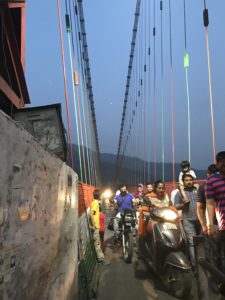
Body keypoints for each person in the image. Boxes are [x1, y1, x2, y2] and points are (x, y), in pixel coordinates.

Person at [174, 174, 201, 269]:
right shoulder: (179, 193)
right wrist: (183, 204)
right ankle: (195, 266)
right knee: (192, 242)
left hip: (201, 221)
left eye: (190, 180)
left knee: (201, 243)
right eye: (186, 180)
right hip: (188, 221)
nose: (189, 181)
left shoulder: (197, 190)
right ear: (183, 182)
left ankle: (203, 264)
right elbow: (176, 206)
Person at [206, 152, 225, 241]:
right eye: (222, 162)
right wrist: (210, 225)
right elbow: (210, 204)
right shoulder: (211, 180)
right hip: (223, 226)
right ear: (217, 164)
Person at [90, 189, 110, 265]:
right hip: (96, 226)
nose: (102, 196)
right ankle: (101, 259)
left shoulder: (95, 202)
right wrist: (94, 225)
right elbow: (92, 214)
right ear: (99, 195)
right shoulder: (95, 203)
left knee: (98, 242)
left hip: (96, 226)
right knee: (97, 243)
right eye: (101, 195)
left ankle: (101, 258)